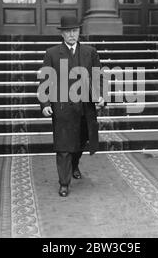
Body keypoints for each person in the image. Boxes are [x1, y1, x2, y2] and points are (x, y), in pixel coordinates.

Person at [38, 15, 106, 197]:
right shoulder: (52, 53)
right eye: (68, 31)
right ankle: (64, 183)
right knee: (63, 146)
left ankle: (75, 164)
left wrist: (100, 96)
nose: (71, 35)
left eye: (74, 31)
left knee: (81, 141)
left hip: (85, 107)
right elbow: (46, 80)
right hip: (62, 108)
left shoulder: (90, 52)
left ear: (79, 32)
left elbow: (98, 76)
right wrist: (45, 103)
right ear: (62, 34)